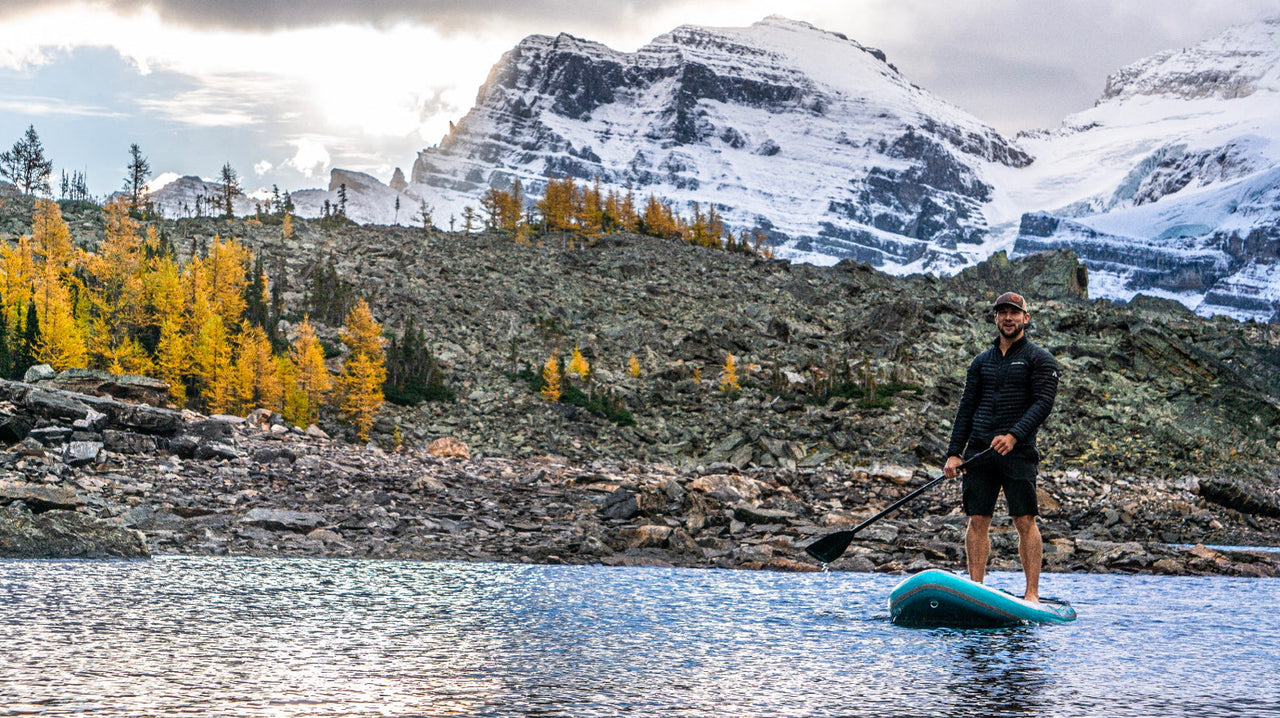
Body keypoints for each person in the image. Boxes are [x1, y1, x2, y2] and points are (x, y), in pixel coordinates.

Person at [943, 291, 1059, 603]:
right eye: (1002, 313)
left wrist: (1014, 435)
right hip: (980, 453)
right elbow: (966, 408)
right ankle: (976, 589)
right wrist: (955, 453)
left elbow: (1042, 404)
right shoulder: (981, 362)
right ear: (996, 318)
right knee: (977, 520)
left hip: (1018, 453)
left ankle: (1032, 593)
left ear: (1026, 318)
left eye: (1014, 312)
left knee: (1024, 520)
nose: (1008, 318)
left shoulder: (1040, 359)